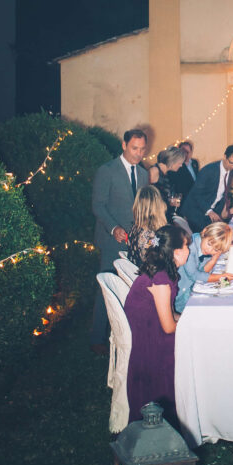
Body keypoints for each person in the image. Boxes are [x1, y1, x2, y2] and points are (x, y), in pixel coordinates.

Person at [124, 225, 190, 425]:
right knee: (193, 344)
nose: (188, 250)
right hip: (150, 340)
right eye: (186, 246)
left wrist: (188, 318)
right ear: (176, 252)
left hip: (152, 327)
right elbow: (168, 327)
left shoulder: (163, 271)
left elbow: (169, 313)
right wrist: (189, 326)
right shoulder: (161, 280)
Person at [91, 128, 148, 354]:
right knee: (107, 287)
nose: (138, 153)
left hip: (135, 240)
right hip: (111, 239)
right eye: (134, 148)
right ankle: (97, 337)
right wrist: (114, 228)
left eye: (142, 149)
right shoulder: (107, 171)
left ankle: (129, 333)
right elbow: (98, 205)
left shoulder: (143, 174)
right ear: (124, 146)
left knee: (133, 286)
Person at [181, 144, 233, 233]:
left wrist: (224, 209)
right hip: (196, 212)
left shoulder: (232, 172)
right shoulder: (208, 171)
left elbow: (223, 193)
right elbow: (196, 194)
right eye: (231, 163)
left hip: (211, 212)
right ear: (225, 157)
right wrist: (209, 211)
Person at [175, 221, 233, 312]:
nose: (209, 250)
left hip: (191, 289)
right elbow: (194, 275)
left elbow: (203, 272)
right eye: (209, 244)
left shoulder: (204, 247)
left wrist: (214, 258)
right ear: (204, 232)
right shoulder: (190, 247)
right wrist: (221, 277)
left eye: (215, 249)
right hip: (179, 295)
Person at [127, 185, 168, 268]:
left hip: (136, 271)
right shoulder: (149, 235)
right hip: (148, 274)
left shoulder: (135, 227)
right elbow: (155, 266)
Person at [149, 145, 186, 222]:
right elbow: (149, 197)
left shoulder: (167, 173)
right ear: (173, 161)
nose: (181, 165)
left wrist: (170, 201)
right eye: (180, 163)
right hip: (154, 217)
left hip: (163, 214)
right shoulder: (154, 171)